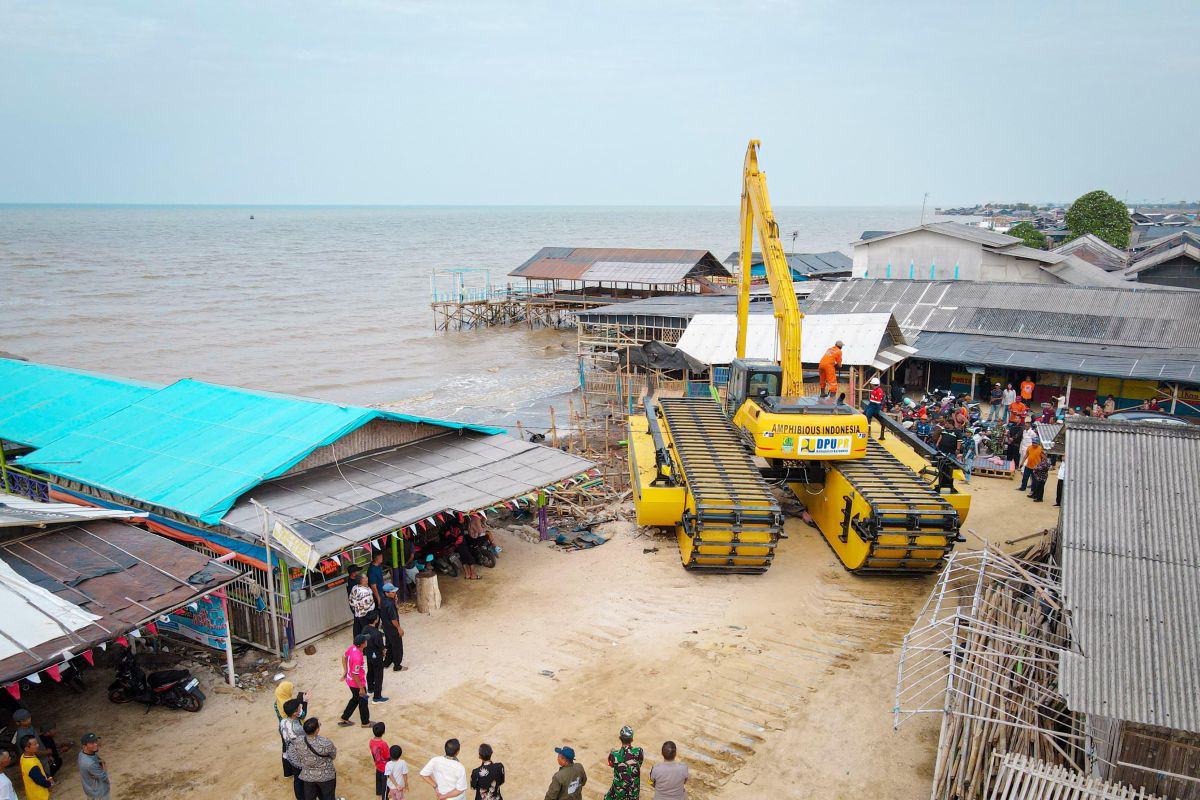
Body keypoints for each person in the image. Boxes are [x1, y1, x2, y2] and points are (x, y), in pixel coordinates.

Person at [287, 718, 338, 800]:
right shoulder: (325, 742)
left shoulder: (298, 740)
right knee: (328, 796)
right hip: (326, 776)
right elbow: (333, 756)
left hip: (308, 776)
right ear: (317, 730)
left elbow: (296, 755)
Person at [10, 709, 67, 776]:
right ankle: (50, 782)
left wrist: (46, 755)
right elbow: (33, 751)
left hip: (41, 753)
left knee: (50, 765)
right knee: (44, 771)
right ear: (18, 723)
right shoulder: (22, 735)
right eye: (25, 720)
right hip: (36, 757)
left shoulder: (29, 727)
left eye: (29, 718)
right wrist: (46, 752)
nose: (29, 720)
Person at [339, 635, 371, 728]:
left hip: (350, 681)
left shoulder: (352, 648)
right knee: (363, 701)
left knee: (355, 699)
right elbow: (355, 674)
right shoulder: (357, 657)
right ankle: (365, 722)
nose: (366, 641)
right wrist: (361, 688)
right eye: (365, 641)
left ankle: (345, 717)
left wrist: (345, 671)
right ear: (362, 644)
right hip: (357, 683)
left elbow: (343, 657)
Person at [604, 726, 644, 800]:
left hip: (619, 791)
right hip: (633, 792)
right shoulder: (639, 751)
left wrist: (614, 752)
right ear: (632, 739)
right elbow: (639, 763)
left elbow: (611, 764)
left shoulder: (614, 755)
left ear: (620, 738)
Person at [281, 699, 306, 800]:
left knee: (297, 777)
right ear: (295, 713)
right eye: (300, 708)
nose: (301, 710)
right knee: (300, 778)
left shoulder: (283, 721)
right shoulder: (298, 728)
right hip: (299, 756)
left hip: (289, 751)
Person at [379, 583, 407, 672]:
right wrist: (399, 628)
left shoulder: (383, 600)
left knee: (389, 645)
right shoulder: (390, 604)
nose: (395, 593)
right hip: (393, 628)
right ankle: (397, 666)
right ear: (386, 593)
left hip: (386, 627)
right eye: (393, 592)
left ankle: (387, 662)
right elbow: (393, 619)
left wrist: (394, 601)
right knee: (397, 647)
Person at [364, 613, 389, 703]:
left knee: (370, 671)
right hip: (377, 656)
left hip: (369, 654)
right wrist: (384, 651)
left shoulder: (365, 629)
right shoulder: (377, 634)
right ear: (376, 620)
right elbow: (381, 647)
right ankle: (377, 697)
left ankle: (370, 688)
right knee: (378, 675)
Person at [19, 735, 53, 800]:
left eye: (37, 743)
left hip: (32, 794)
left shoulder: (23, 757)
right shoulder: (31, 764)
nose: (38, 745)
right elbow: (40, 780)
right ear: (27, 748)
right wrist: (49, 784)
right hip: (40, 796)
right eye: (35, 744)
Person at [77, 733, 109, 800]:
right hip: (99, 794)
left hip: (91, 790)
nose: (96, 744)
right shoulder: (90, 764)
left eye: (95, 741)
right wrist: (104, 764)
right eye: (92, 743)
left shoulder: (82, 753)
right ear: (84, 746)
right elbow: (104, 777)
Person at [350, 572, 377, 637]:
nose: (367, 578)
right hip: (365, 615)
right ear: (362, 580)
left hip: (357, 614)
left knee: (359, 631)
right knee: (367, 632)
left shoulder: (354, 587)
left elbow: (351, 601)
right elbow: (367, 607)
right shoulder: (364, 592)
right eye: (366, 578)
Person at [370, 722, 390, 800]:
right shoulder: (383, 744)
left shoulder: (371, 742)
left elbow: (373, 753)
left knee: (378, 782)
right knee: (385, 786)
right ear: (383, 732)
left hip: (377, 766)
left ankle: (378, 796)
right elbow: (387, 757)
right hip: (385, 768)